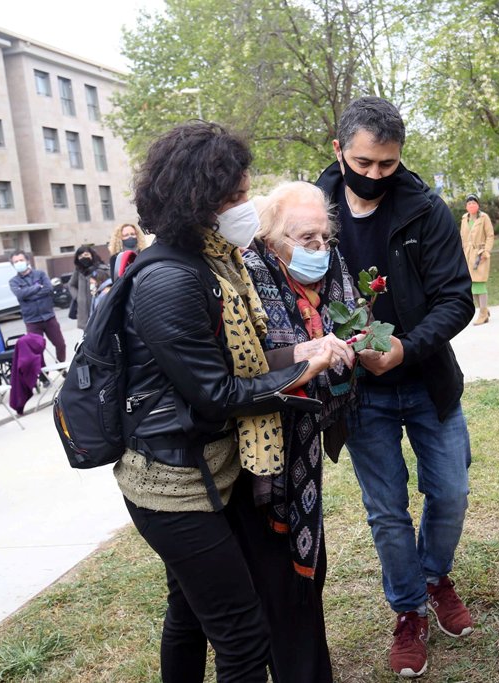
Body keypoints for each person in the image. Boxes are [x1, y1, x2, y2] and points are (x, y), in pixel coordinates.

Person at [113, 121, 335, 682]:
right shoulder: (170, 280)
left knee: (188, 613)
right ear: (199, 201)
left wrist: (300, 350)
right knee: (242, 637)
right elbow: (217, 394)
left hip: (208, 471)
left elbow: (244, 361)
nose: (245, 207)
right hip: (173, 487)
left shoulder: (216, 263)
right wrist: (305, 367)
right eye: (235, 197)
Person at [315, 96, 475, 678]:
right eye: (364, 163)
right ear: (339, 151)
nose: (376, 175)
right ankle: (408, 612)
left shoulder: (425, 209)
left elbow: (456, 297)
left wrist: (407, 347)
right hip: (360, 393)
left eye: (388, 164)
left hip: (427, 380)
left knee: (450, 493)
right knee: (386, 512)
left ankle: (434, 577)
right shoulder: (313, 211)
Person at [238, 181, 358, 682]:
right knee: (278, 586)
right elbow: (241, 365)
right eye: (306, 240)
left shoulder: (329, 275)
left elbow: (355, 319)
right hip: (259, 460)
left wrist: (355, 348)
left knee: (307, 577)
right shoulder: (248, 275)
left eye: (324, 239)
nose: (320, 250)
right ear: (271, 240)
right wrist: (307, 356)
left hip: (304, 453)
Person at [8, 251, 66, 362]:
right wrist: (37, 287)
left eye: (21, 260)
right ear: (13, 265)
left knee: (60, 344)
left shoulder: (40, 274)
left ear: (27, 261)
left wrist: (28, 295)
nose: (19, 263)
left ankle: (61, 367)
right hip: (32, 321)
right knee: (36, 350)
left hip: (49, 317)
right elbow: (20, 294)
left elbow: (48, 289)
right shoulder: (13, 281)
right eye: (16, 262)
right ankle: (43, 375)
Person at [459, 194, 495, 325]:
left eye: (474, 203)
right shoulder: (464, 219)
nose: (471, 205)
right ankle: (484, 309)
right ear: (466, 206)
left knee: (479, 283)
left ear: (478, 205)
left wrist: (486, 251)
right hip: (467, 254)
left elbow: (490, 235)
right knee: (471, 284)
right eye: (469, 204)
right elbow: (462, 237)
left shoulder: (484, 217)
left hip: (480, 254)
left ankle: (483, 314)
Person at [68, 246, 109, 330]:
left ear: (92, 255)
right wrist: (78, 297)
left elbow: (109, 285)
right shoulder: (78, 271)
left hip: (100, 309)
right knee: (88, 338)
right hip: (84, 313)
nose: (83, 258)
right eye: (80, 256)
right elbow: (71, 285)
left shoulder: (102, 269)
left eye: (86, 254)